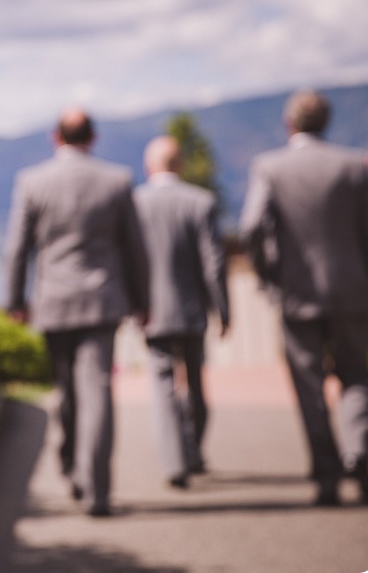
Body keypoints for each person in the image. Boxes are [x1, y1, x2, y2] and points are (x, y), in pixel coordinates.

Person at [4, 108, 150, 516]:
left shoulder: (32, 182)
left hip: (54, 301)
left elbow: (17, 248)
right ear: (93, 137)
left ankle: (74, 467)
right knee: (97, 390)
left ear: (56, 137)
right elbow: (135, 248)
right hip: (104, 301)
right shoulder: (117, 180)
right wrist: (143, 302)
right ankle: (97, 488)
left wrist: (15, 301)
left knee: (68, 391)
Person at [240, 89, 368, 506]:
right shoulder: (353, 166)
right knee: (355, 374)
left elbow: (249, 228)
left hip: (297, 295)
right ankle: (358, 449)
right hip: (353, 290)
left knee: (308, 386)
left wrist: (269, 276)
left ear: (289, 123)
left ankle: (327, 475)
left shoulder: (270, 167)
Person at [133, 136, 230, 489]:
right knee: (196, 382)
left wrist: (133, 306)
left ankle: (174, 461)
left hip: (152, 311)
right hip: (191, 309)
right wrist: (223, 308)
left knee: (162, 386)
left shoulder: (134, 203)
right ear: (181, 164)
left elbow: (129, 259)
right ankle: (193, 450)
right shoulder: (200, 202)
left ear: (149, 166)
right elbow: (213, 262)